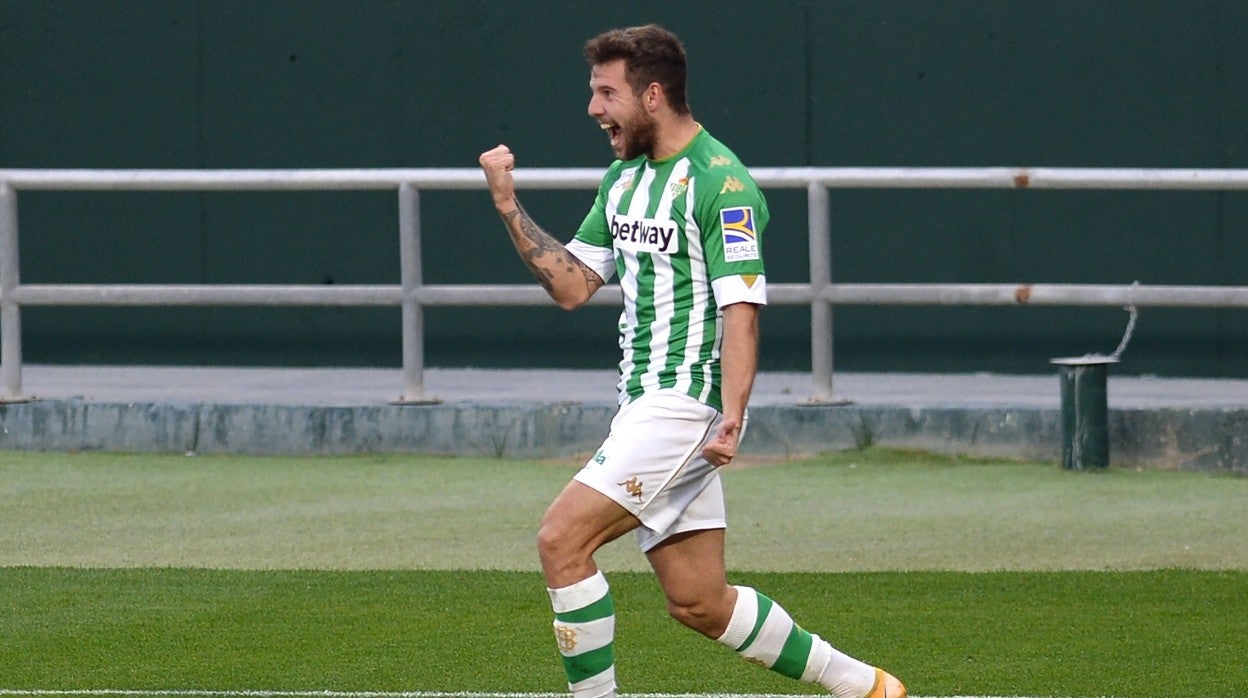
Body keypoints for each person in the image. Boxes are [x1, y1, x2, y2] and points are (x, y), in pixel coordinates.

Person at [479, 24, 906, 698]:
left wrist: (731, 413)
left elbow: (743, 307)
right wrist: (507, 204)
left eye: (605, 93)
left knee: (561, 540)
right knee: (700, 602)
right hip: (644, 408)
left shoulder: (721, 183)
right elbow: (570, 286)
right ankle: (872, 688)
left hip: (683, 406)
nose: (593, 109)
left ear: (653, 95)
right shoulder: (623, 180)